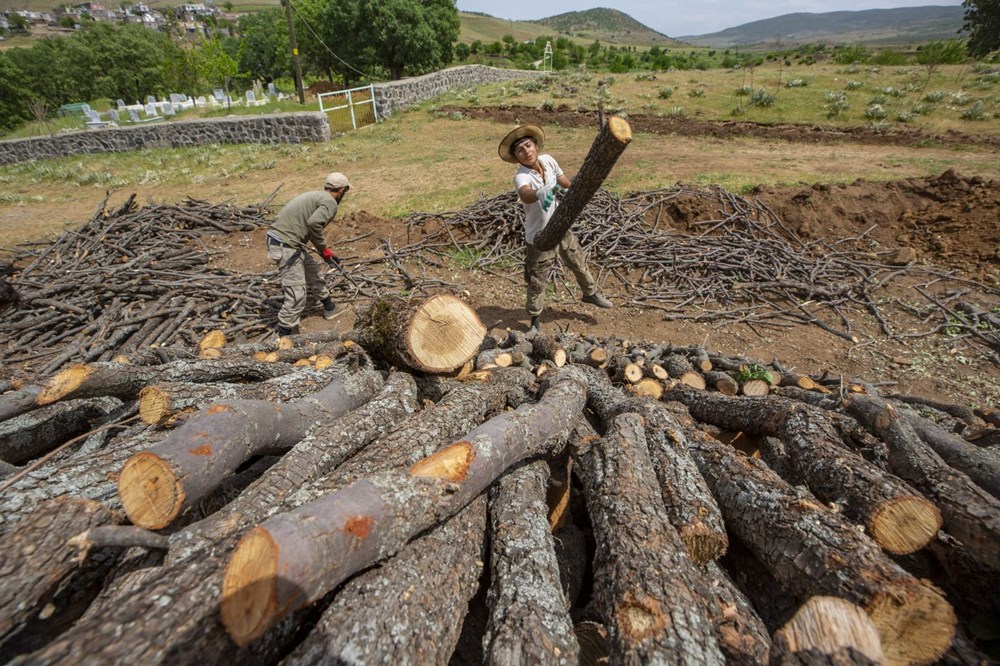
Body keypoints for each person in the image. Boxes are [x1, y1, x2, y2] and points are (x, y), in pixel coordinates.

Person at [498, 124, 612, 333]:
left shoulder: (549, 161)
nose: (526, 152)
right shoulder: (521, 176)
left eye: (528, 145)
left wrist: (581, 188)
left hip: (560, 224)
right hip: (539, 236)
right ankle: (534, 319)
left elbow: (565, 182)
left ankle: (590, 293)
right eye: (520, 150)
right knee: (537, 279)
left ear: (536, 146)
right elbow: (525, 194)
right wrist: (539, 193)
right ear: (516, 158)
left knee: (577, 260)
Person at [266, 172, 350, 336]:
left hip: (290, 243)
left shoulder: (316, 196)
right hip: (285, 246)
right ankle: (284, 335)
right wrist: (324, 249)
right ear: (342, 189)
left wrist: (324, 252)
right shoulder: (330, 202)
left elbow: (308, 225)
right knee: (297, 294)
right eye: (345, 191)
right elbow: (314, 224)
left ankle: (330, 307)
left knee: (314, 272)